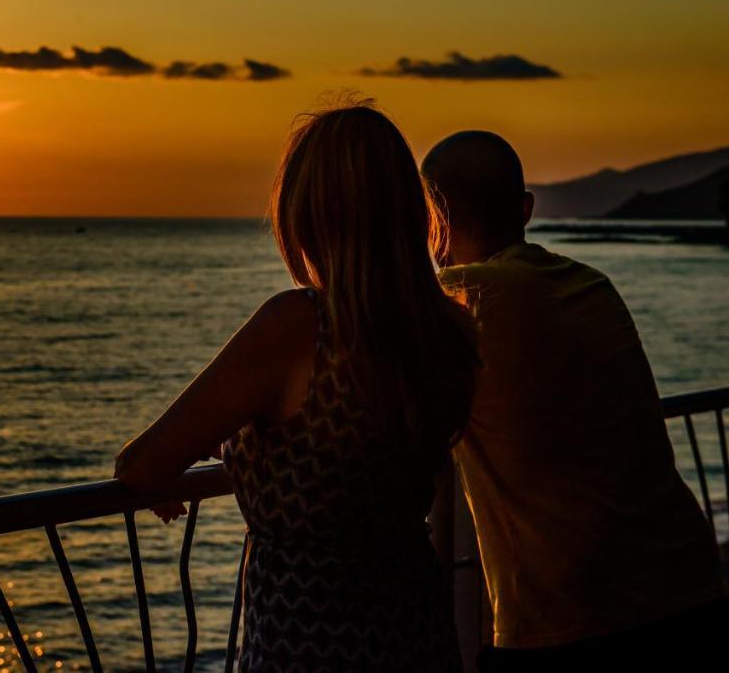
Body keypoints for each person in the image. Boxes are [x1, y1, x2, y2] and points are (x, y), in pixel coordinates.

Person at [115, 99, 478, 671]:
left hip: (305, 641)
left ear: (307, 212)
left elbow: (140, 466)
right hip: (415, 632)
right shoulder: (446, 331)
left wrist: (221, 449)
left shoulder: (296, 328)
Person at [422, 131, 726, 672]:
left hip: (567, 619)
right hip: (688, 586)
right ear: (526, 209)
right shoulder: (591, 284)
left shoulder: (462, 303)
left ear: (430, 223)